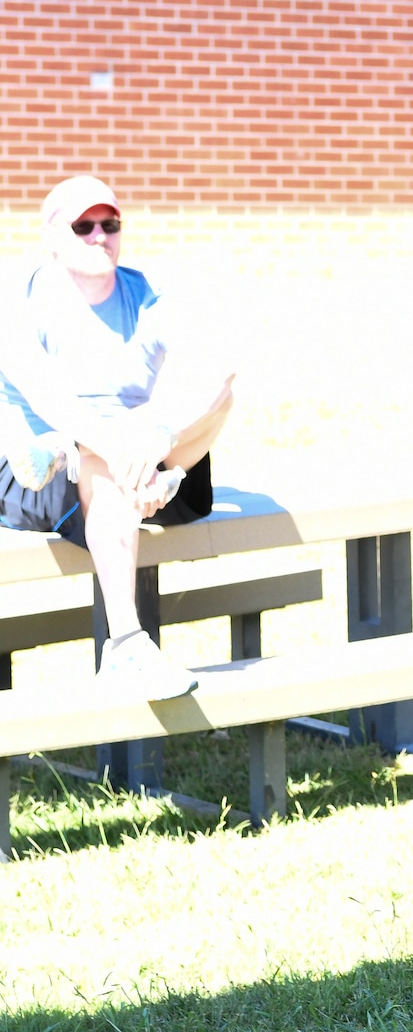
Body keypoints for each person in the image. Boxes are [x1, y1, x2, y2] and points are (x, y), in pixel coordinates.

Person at [0, 175, 235, 699]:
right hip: (41, 469)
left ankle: (162, 479)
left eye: (111, 224)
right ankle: (126, 644)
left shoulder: (143, 294)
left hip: (145, 464)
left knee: (223, 400)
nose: (100, 235)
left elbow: (219, 367)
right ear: (52, 236)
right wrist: (131, 459)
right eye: (84, 226)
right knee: (91, 451)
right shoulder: (18, 300)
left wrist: (159, 441)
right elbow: (52, 403)